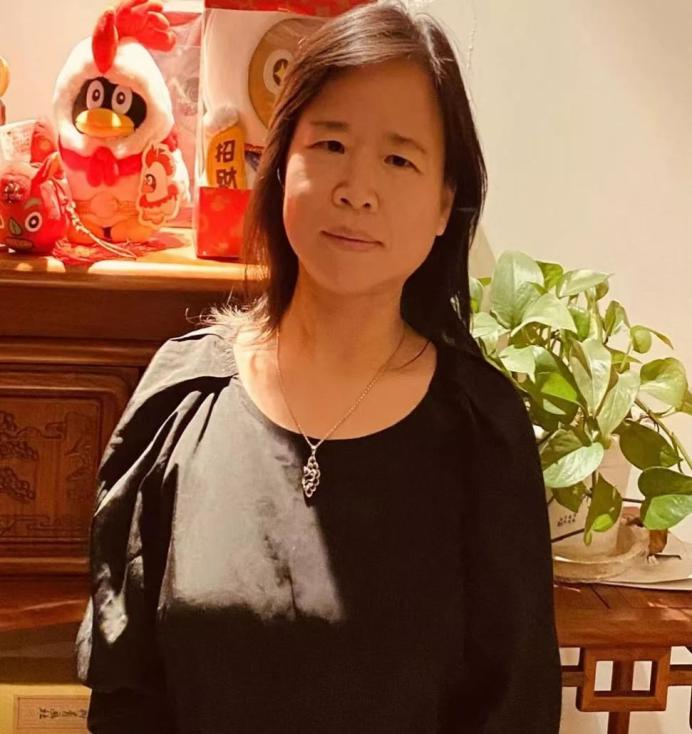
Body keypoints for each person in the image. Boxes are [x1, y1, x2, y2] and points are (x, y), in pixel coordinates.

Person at [75, 1, 563, 732]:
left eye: (399, 159)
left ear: (444, 204)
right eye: (331, 144)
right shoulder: (183, 400)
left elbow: (516, 708)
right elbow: (126, 693)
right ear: (280, 165)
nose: (356, 189)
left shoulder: (481, 434)